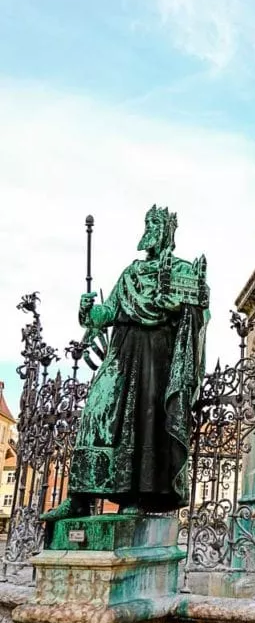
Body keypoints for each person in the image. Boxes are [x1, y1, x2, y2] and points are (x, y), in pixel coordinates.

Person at [43, 206, 209, 519]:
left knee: (144, 423)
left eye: (154, 226)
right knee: (97, 412)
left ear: (166, 232)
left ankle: (136, 496)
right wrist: (88, 311)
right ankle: (80, 496)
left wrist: (188, 301)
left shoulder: (183, 270)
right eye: (147, 225)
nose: (149, 233)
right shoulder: (131, 272)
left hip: (155, 355)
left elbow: (196, 311)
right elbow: (107, 312)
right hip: (122, 352)